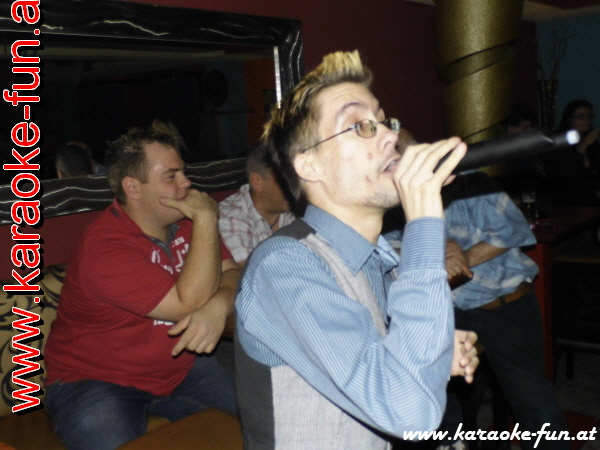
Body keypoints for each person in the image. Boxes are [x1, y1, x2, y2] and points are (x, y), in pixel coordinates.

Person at [234, 50, 479, 449]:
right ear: (309, 165)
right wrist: (423, 223)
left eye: (384, 122)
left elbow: (385, 371)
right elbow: (409, 413)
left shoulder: (377, 262)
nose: (390, 136)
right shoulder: (285, 265)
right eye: (360, 126)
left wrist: (431, 354)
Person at [44, 126, 240, 449]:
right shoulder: (104, 248)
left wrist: (219, 305)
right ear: (133, 187)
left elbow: (232, 273)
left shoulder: (185, 222)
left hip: (178, 369)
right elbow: (187, 304)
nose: (186, 183)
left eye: (184, 172)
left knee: (251, 427)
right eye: (171, 176)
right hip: (94, 380)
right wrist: (208, 218)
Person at [389, 130, 570, 449]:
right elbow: (387, 247)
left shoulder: (468, 181)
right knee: (429, 394)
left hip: (502, 304)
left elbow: (515, 230)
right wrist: (436, 247)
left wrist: (463, 257)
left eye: (400, 152)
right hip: (447, 309)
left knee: (534, 406)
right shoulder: (387, 196)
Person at [219, 141, 295, 265]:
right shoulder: (231, 217)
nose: (295, 187)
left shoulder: (299, 207)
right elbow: (248, 272)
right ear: (257, 181)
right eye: (286, 180)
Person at [543, 99, 600, 205]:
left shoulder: (592, 143)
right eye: (581, 117)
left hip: (588, 198)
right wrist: (584, 145)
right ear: (569, 120)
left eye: (589, 116)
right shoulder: (559, 143)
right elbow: (568, 176)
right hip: (565, 201)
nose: (587, 120)